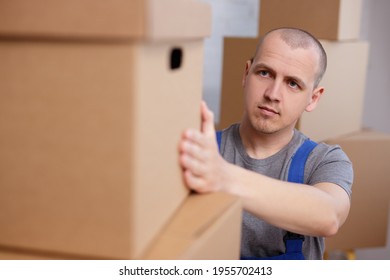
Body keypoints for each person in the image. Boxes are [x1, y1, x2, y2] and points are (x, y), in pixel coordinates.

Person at [178, 27, 353, 260]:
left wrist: (223, 176)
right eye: (265, 73)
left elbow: (329, 216)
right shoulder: (200, 151)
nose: (273, 93)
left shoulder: (324, 160)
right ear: (246, 73)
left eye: (292, 84)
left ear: (313, 98)